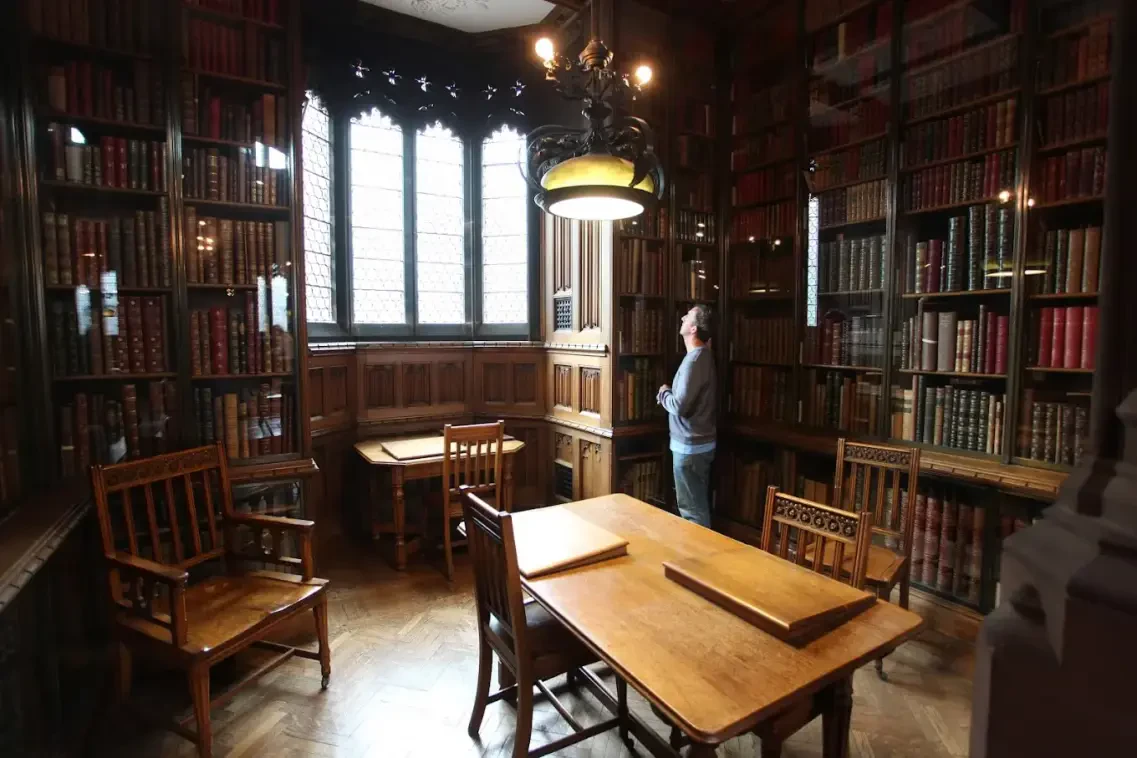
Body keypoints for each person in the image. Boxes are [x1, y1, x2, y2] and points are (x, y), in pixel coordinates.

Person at [657, 305, 716, 527]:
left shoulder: (694, 361)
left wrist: (663, 393)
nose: (682, 317)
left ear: (693, 328)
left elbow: (680, 406)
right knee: (696, 505)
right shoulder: (703, 356)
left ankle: (699, 559)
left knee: (692, 511)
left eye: (687, 316)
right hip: (698, 445)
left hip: (690, 447)